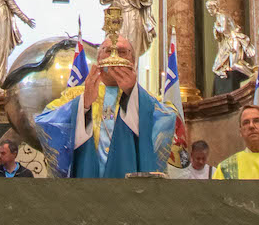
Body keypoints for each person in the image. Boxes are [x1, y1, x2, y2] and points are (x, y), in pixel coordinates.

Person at [35, 35, 175, 177]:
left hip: (130, 186)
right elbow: (45, 121)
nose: (115, 57)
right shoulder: (76, 95)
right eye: (108, 51)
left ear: (133, 61)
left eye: (122, 52)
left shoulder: (145, 98)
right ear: (98, 59)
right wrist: (83, 105)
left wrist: (133, 95)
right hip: (87, 182)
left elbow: (167, 119)